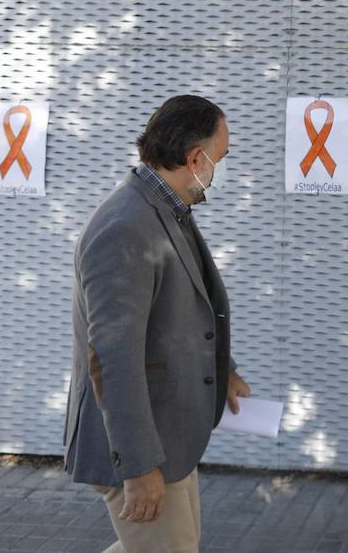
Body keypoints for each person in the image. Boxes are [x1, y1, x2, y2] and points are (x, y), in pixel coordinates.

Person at [63, 95, 250, 552]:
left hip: (171, 433)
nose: (221, 170)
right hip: (141, 447)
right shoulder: (127, 226)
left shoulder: (165, 208)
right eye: (220, 158)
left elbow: (179, 309)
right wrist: (139, 467)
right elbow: (112, 357)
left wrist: (222, 368)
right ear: (194, 158)